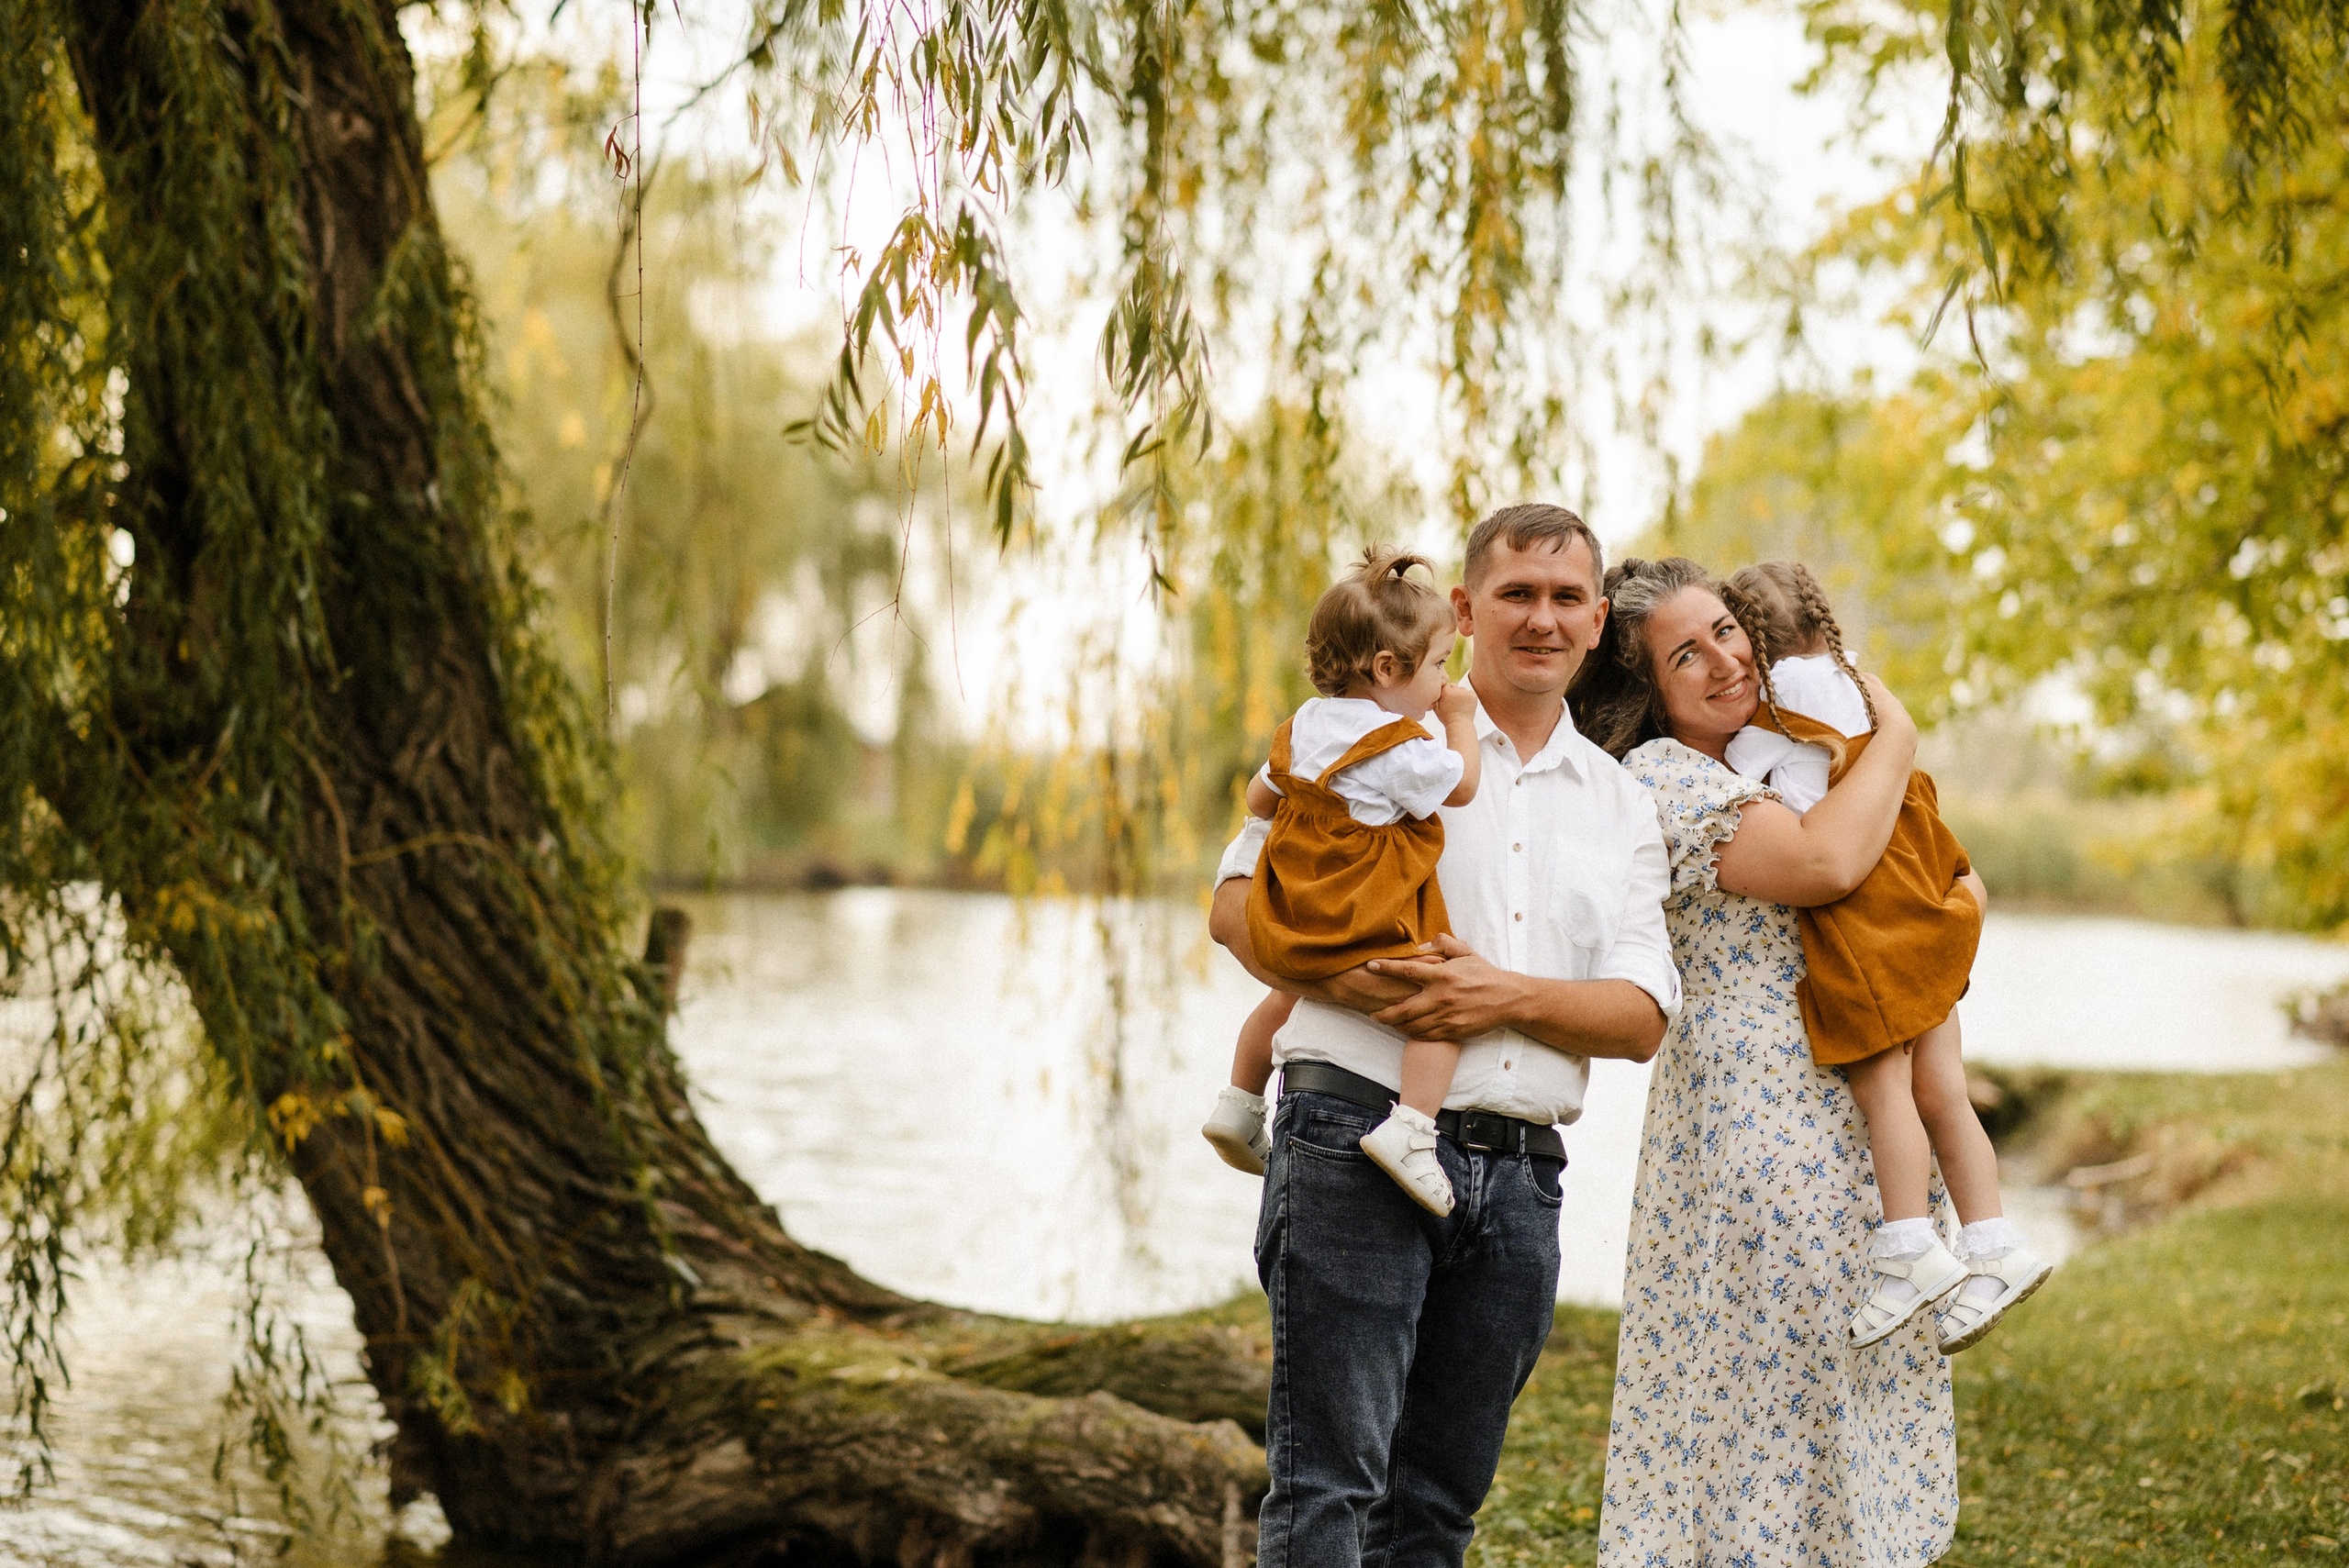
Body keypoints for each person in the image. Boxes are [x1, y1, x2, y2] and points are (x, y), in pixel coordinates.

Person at [1208, 505, 1682, 1568]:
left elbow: (1642, 1014)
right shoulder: (1365, 739)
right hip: (1350, 1137)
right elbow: (1235, 909)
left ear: (1598, 620)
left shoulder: (1622, 803)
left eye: (1567, 598)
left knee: (1434, 1511)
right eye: (1517, 592)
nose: (1542, 618)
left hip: (1520, 1184)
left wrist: (1498, 997)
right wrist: (1390, 996)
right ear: (1465, 610)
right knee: (1327, 1490)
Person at [1573, 556, 1958, 1566]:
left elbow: (1903, 875)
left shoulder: (1774, 755)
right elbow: (1826, 864)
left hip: (1845, 1101)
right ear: (1647, 691)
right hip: (1757, 1107)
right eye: (1683, 655)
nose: (1721, 661)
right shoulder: (1664, 775)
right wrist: (1900, 736)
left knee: (1847, 1382)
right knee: (1766, 1392)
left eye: (1727, 631)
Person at [1724, 559, 2051, 1351]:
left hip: (1866, 918)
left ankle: (1908, 1245)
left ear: (1755, 639)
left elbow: (1735, 777)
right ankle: (1994, 1243)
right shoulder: (1855, 679)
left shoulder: (1776, 705)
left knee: (1884, 1088)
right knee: (1944, 1089)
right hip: (1921, 901)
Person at [1200, 548, 1484, 1214]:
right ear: (1389, 669)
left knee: (1284, 999)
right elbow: (1464, 786)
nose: (1445, 682)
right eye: (1440, 665)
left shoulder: (1303, 723)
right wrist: (1461, 722)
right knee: (1442, 1013)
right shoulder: (1401, 747)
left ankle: (1239, 1103)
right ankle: (1413, 1130)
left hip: (1291, 905)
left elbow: (1257, 796)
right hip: (1355, 910)